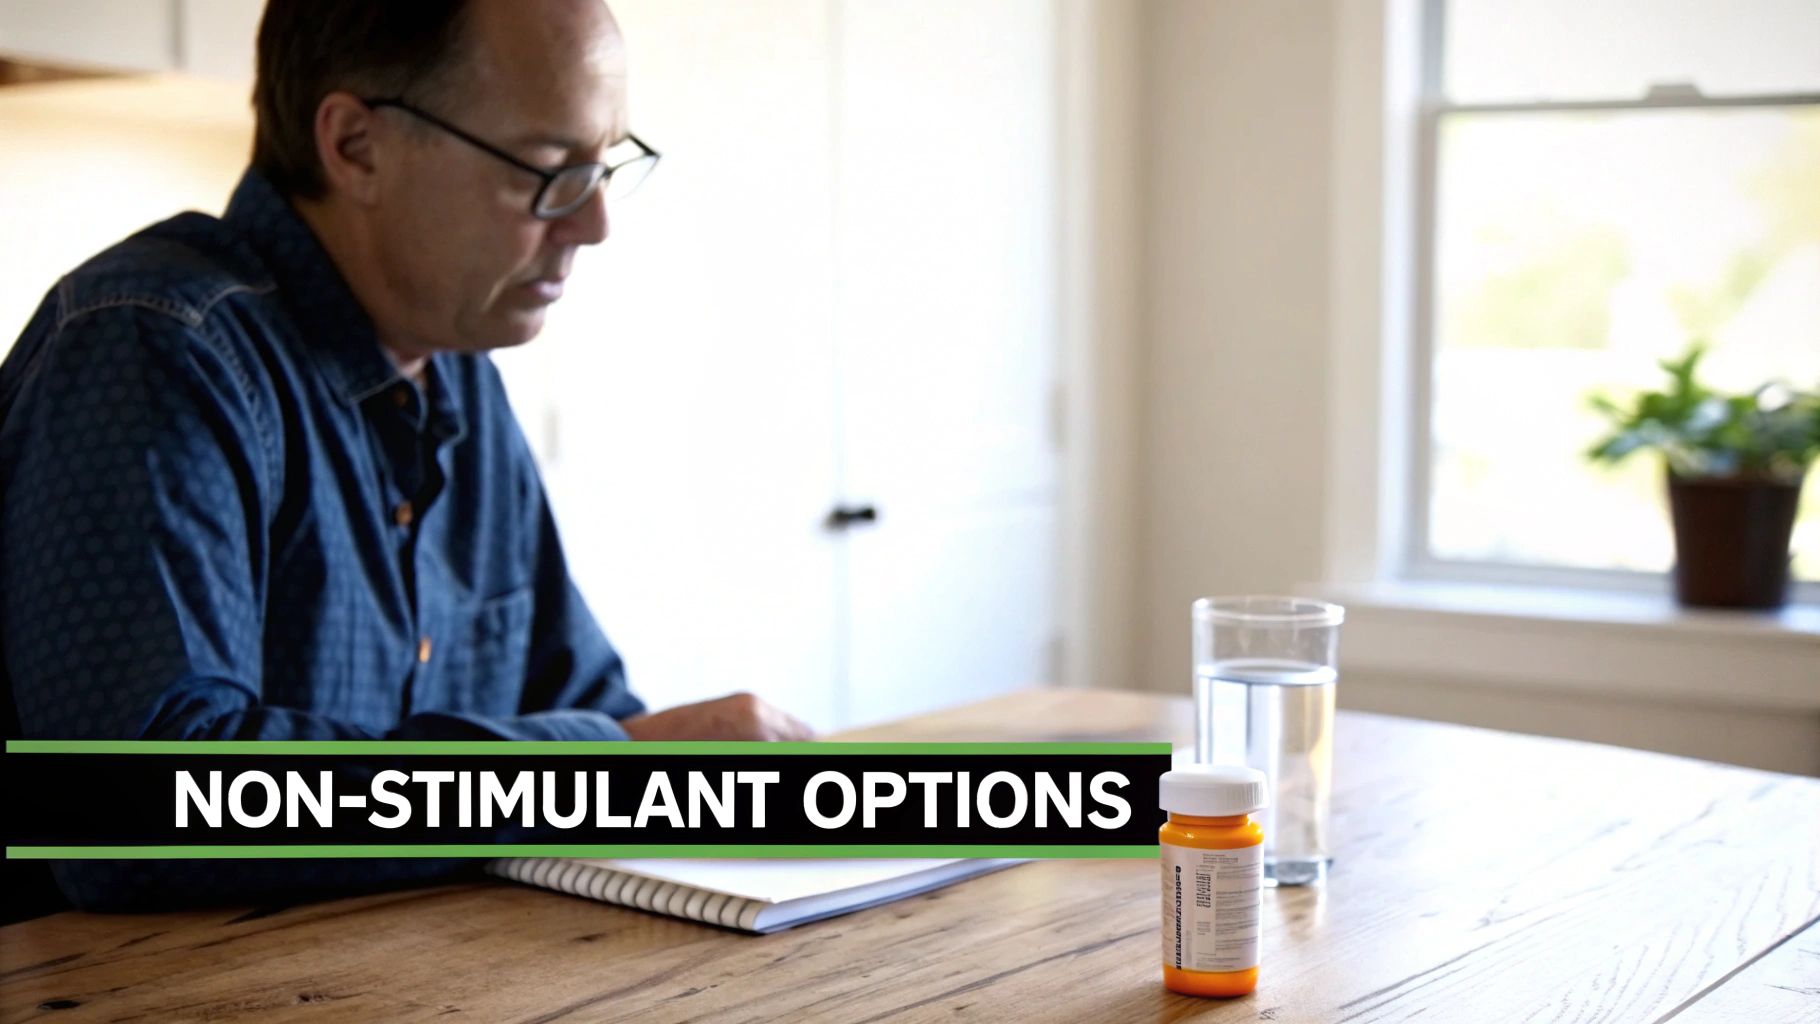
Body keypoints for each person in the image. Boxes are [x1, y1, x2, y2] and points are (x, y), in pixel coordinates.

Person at [0, 0, 810, 914]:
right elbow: (138, 814)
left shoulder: (455, 369)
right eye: (549, 172)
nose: (594, 225)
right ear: (355, 146)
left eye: (604, 166)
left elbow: (590, 709)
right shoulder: (157, 350)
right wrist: (607, 768)